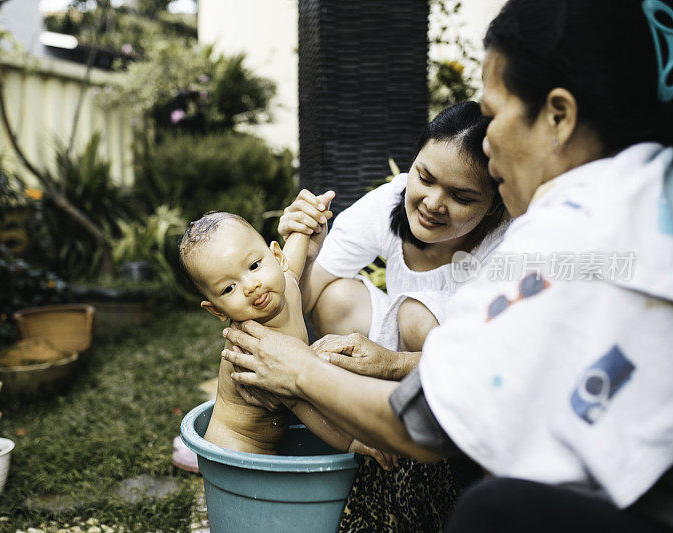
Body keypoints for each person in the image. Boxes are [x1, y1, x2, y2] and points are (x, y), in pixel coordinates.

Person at [220, 0, 673, 530]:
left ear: (559, 115)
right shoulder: (646, 186)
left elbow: (424, 423)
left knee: (491, 510)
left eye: (494, 114)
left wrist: (297, 371)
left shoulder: (561, 235)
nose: (485, 142)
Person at [277, 101, 508, 531]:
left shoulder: (509, 245)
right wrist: (302, 253)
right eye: (425, 177)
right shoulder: (389, 201)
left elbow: (492, 362)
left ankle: (429, 459)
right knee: (336, 297)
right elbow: (301, 297)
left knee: (417, 313)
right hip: (400, 365)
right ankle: (362, 424)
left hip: (469, 383)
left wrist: (391, 362)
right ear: (413, 163)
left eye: (462, 197)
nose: (434, 203)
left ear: (495, 204)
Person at [178, 212, 392, 465]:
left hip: (269, 443)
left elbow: (297, 246)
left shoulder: (287, 283)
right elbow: (302, 404)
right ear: (216, 310)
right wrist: (352, 441)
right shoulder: (252, 347)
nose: (250, 286)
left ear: (277, 257)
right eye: (228, 288)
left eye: (254, 265)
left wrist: (309, 219)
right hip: (238, 449)